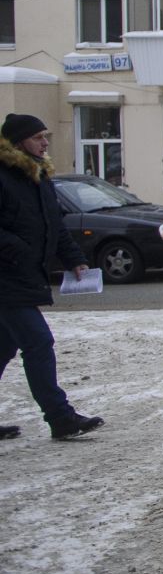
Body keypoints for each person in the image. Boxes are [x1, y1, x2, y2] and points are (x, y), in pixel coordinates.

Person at [0, 114, 105, 441]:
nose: (45, 143)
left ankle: (60, 417)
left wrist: (74, 258)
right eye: (38, 138)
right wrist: (19, 249)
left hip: (25, 275)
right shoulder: (2, 176)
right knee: (38, 342)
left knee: (4, 348)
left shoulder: (40, 177)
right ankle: (61, 418)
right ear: (18, 143)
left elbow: (55, 226)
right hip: (5, 278)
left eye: (45, 136)